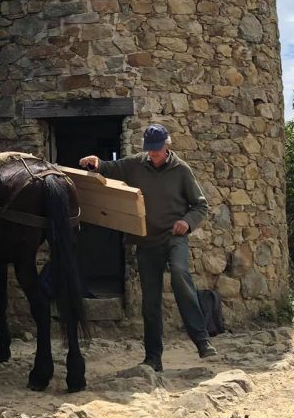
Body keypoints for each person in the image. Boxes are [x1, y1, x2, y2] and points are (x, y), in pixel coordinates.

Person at [79, 123, 215, 371]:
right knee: (149, 301)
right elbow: (110, 168)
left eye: (157, 150)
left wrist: (187, 221)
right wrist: (96, 162)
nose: (153, 154)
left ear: (167, 146)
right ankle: (153, 357)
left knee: (179, 274)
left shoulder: (181, 170)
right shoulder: (135, 164)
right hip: (146, 241)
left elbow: (200, 205)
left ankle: (202, 340)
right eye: (150, 150)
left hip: (174, 236)